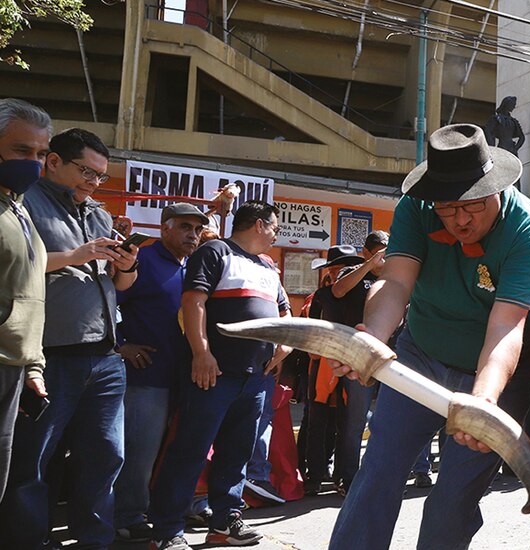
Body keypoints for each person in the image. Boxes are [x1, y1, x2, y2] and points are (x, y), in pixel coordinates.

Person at [329, 124, 530, 549]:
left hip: (492, 373)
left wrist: (484, 401)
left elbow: (505, 327)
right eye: (448, 209)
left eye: (473, 206)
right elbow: (394, 285)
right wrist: (373, 338)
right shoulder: (415, 208)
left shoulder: (529, 233)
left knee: (454, 498)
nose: (461, 219)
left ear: (497, 189)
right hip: (421, 353)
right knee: (379, 470)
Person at [1, 128, 137, 549]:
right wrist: (78, 255)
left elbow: (121, 285)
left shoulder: (97, 211)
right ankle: (29, 541)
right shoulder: (24, 204)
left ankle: (94, 540)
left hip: (105, 356)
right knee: (35, 462)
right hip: (50, 355)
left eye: (100, 176)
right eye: (87, 172)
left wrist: (126, 264)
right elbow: (20, 267)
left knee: (105, 457)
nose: (94, 182)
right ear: (53, 161)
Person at [146, 201, 292, 550]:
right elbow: (193, 302)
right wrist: (202, 353)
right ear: (259, 224)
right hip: (213, 374)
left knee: (237, 453)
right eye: (274, 227)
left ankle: (225, 522)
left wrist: (285, 348)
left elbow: (285, 312)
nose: (276, 234)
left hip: (255, 378)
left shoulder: (269, 266)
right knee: (189, 451)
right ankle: (166, 531)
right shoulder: (215, 251)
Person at [112, 203, 208, 541]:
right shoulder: (145, 261)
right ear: (164, 228)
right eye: (184, 227)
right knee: (140, 451)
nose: (192, 235)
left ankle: (165, 508)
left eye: (197, 230)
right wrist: (120, 344)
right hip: (146, 377)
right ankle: (128, 516)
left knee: (175, 450)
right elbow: (109, 302)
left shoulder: (194, 267)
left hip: (185, 377)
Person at [0, 98, 50, 503]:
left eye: (41, 153)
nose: (33, 162)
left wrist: (32, 364)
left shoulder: (18, 208)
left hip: (15, 370)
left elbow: (26, 292)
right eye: (22, 150)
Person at [302, 245, 366, 496]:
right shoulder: (321, 295)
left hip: (351, 366)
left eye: (348, 268)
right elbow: (312, 331)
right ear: (329, 271)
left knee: (347, 423)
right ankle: (314, 476)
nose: (343, 272)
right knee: (316, 423)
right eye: (338, 268)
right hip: (322, 367)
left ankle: (343, 476)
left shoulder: (361, 293)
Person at [330, 231, 390, 493]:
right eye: (377, 250)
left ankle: (375, 476)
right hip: (357, 358)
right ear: (366, 251)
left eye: (386, 250)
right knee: (355, 421)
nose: (382, 255)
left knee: (387, 422)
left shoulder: (395, 276)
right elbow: (338, 290)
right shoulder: (353, 271)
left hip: (390, 358)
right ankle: (347, 477)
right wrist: (368, 265)